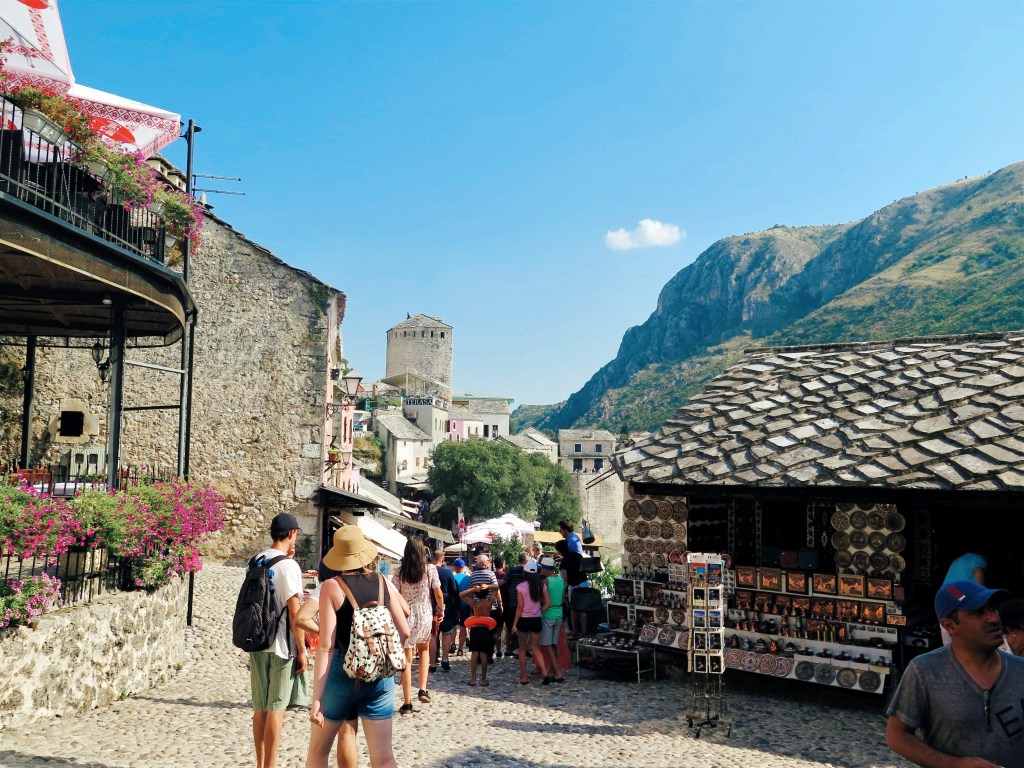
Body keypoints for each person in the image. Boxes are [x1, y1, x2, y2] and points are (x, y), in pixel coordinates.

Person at [886, 580, 1024, 768]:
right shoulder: (924, 671)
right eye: (978, 612)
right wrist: (954, 764)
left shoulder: (1020, 669)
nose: (993, 618)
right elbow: (897, 736)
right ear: (949, 626)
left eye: (992, 608)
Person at [306, 526, 410, 768]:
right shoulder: (383, 582)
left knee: (318, 752)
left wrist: (316, 699)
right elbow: (405, 631)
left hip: (342, 675)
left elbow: (326, 646)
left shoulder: (332, 586)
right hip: (380, 677)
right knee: (384, 758)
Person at [249, 513, 307, 768]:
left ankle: (261, 764)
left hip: (257, 640)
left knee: (260, 707)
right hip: (281, 644)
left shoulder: (256, 560)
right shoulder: (290, 567)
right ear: (292, 534)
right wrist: (302, 650)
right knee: (276, 707)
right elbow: (295, 613)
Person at [392, 535, 444, 713]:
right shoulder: (430, 569)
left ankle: (407, 703)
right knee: (424, 650)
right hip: (425, 614)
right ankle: (423, 689)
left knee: (406, 658)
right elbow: (438, 593)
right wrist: (441, 609)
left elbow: (395, 595)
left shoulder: (399, 572)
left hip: (406, 615)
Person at [512, 560, 551, 685]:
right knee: (535, 647)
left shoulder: (521, 587)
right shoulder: (541, 585)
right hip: (536, 620)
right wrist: (539, 610)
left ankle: (524, 677)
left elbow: (520, 607)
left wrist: (514, 624)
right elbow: (548, 603)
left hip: (524, 620)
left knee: (522, 648)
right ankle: (544, 672)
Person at [940, 552, 988, 645]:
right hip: (955, 592)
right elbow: (979, 574)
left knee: (948, 631)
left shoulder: (959, 560)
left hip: (945, 594)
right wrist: (983, 599)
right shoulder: (978, 558)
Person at [460, 582, 497, 686]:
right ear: (487, 593)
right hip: (485, 630)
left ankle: (473, 679)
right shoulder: (489, 602)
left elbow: (461, 595)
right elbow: (497, 588)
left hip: (475, 630)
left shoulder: (474, 603)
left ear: (476, 593)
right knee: (484, 654)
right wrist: (488, 586)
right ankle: (484, 680)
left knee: (474, 654)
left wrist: (473, 589)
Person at [537, 556, 566, 683]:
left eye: (542, 568)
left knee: (547, 645)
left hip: (548, 614)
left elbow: (542, 599)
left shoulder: (545, 582)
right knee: (553, 644)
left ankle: (558, 673)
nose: (541, 571)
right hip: (559, 614)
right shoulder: (561, 580)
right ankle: (552, 670)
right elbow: (563, 598)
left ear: (546, 569)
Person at [451, 558, 471, 656]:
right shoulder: (468, 578)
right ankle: (460, 649)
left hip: (454, 605)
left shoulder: (452, 577)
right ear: (464, 567)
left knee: (453, 626)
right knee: (463, 627)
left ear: (455, 567)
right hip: (466, 604)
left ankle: (453, 643)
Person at [491, 556, 507, 658]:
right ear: (503, 564)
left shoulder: (491, 575)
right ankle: (498, 650)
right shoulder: (506, 576)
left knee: (491, 628)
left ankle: (490, 649)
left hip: (492, 605)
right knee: (499, 629)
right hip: (503, 605)